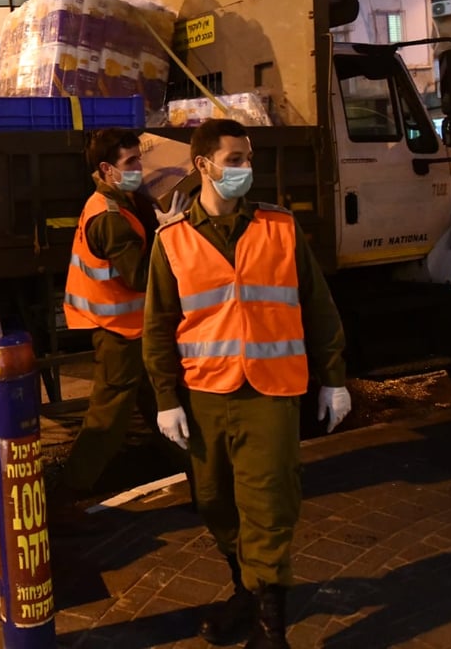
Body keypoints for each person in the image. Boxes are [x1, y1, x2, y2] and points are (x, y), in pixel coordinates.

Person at [142, 118, 352, 649]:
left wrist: (334, 379)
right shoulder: (172, 241)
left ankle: (269, 626)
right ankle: (245, 590)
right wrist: (166, 398)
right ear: (203, 166)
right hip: (206, 394)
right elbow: (158, 325)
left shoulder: (279, 227)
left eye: (248, 159)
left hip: (271, 393)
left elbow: (318, 307)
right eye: (235, 159)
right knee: (214, 503)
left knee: (269, 503)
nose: (245, 169)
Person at [57, 129, 187, 513]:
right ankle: (66, 497)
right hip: (120, 332)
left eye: (138, 159)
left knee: (165, 403)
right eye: (130, 162)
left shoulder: (122, 200)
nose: (139, 168)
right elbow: (141, 276)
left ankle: (206, 481)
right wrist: (171, 232)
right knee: (110, 418)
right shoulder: (109, 217)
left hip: (132, 330)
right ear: (106, 169)